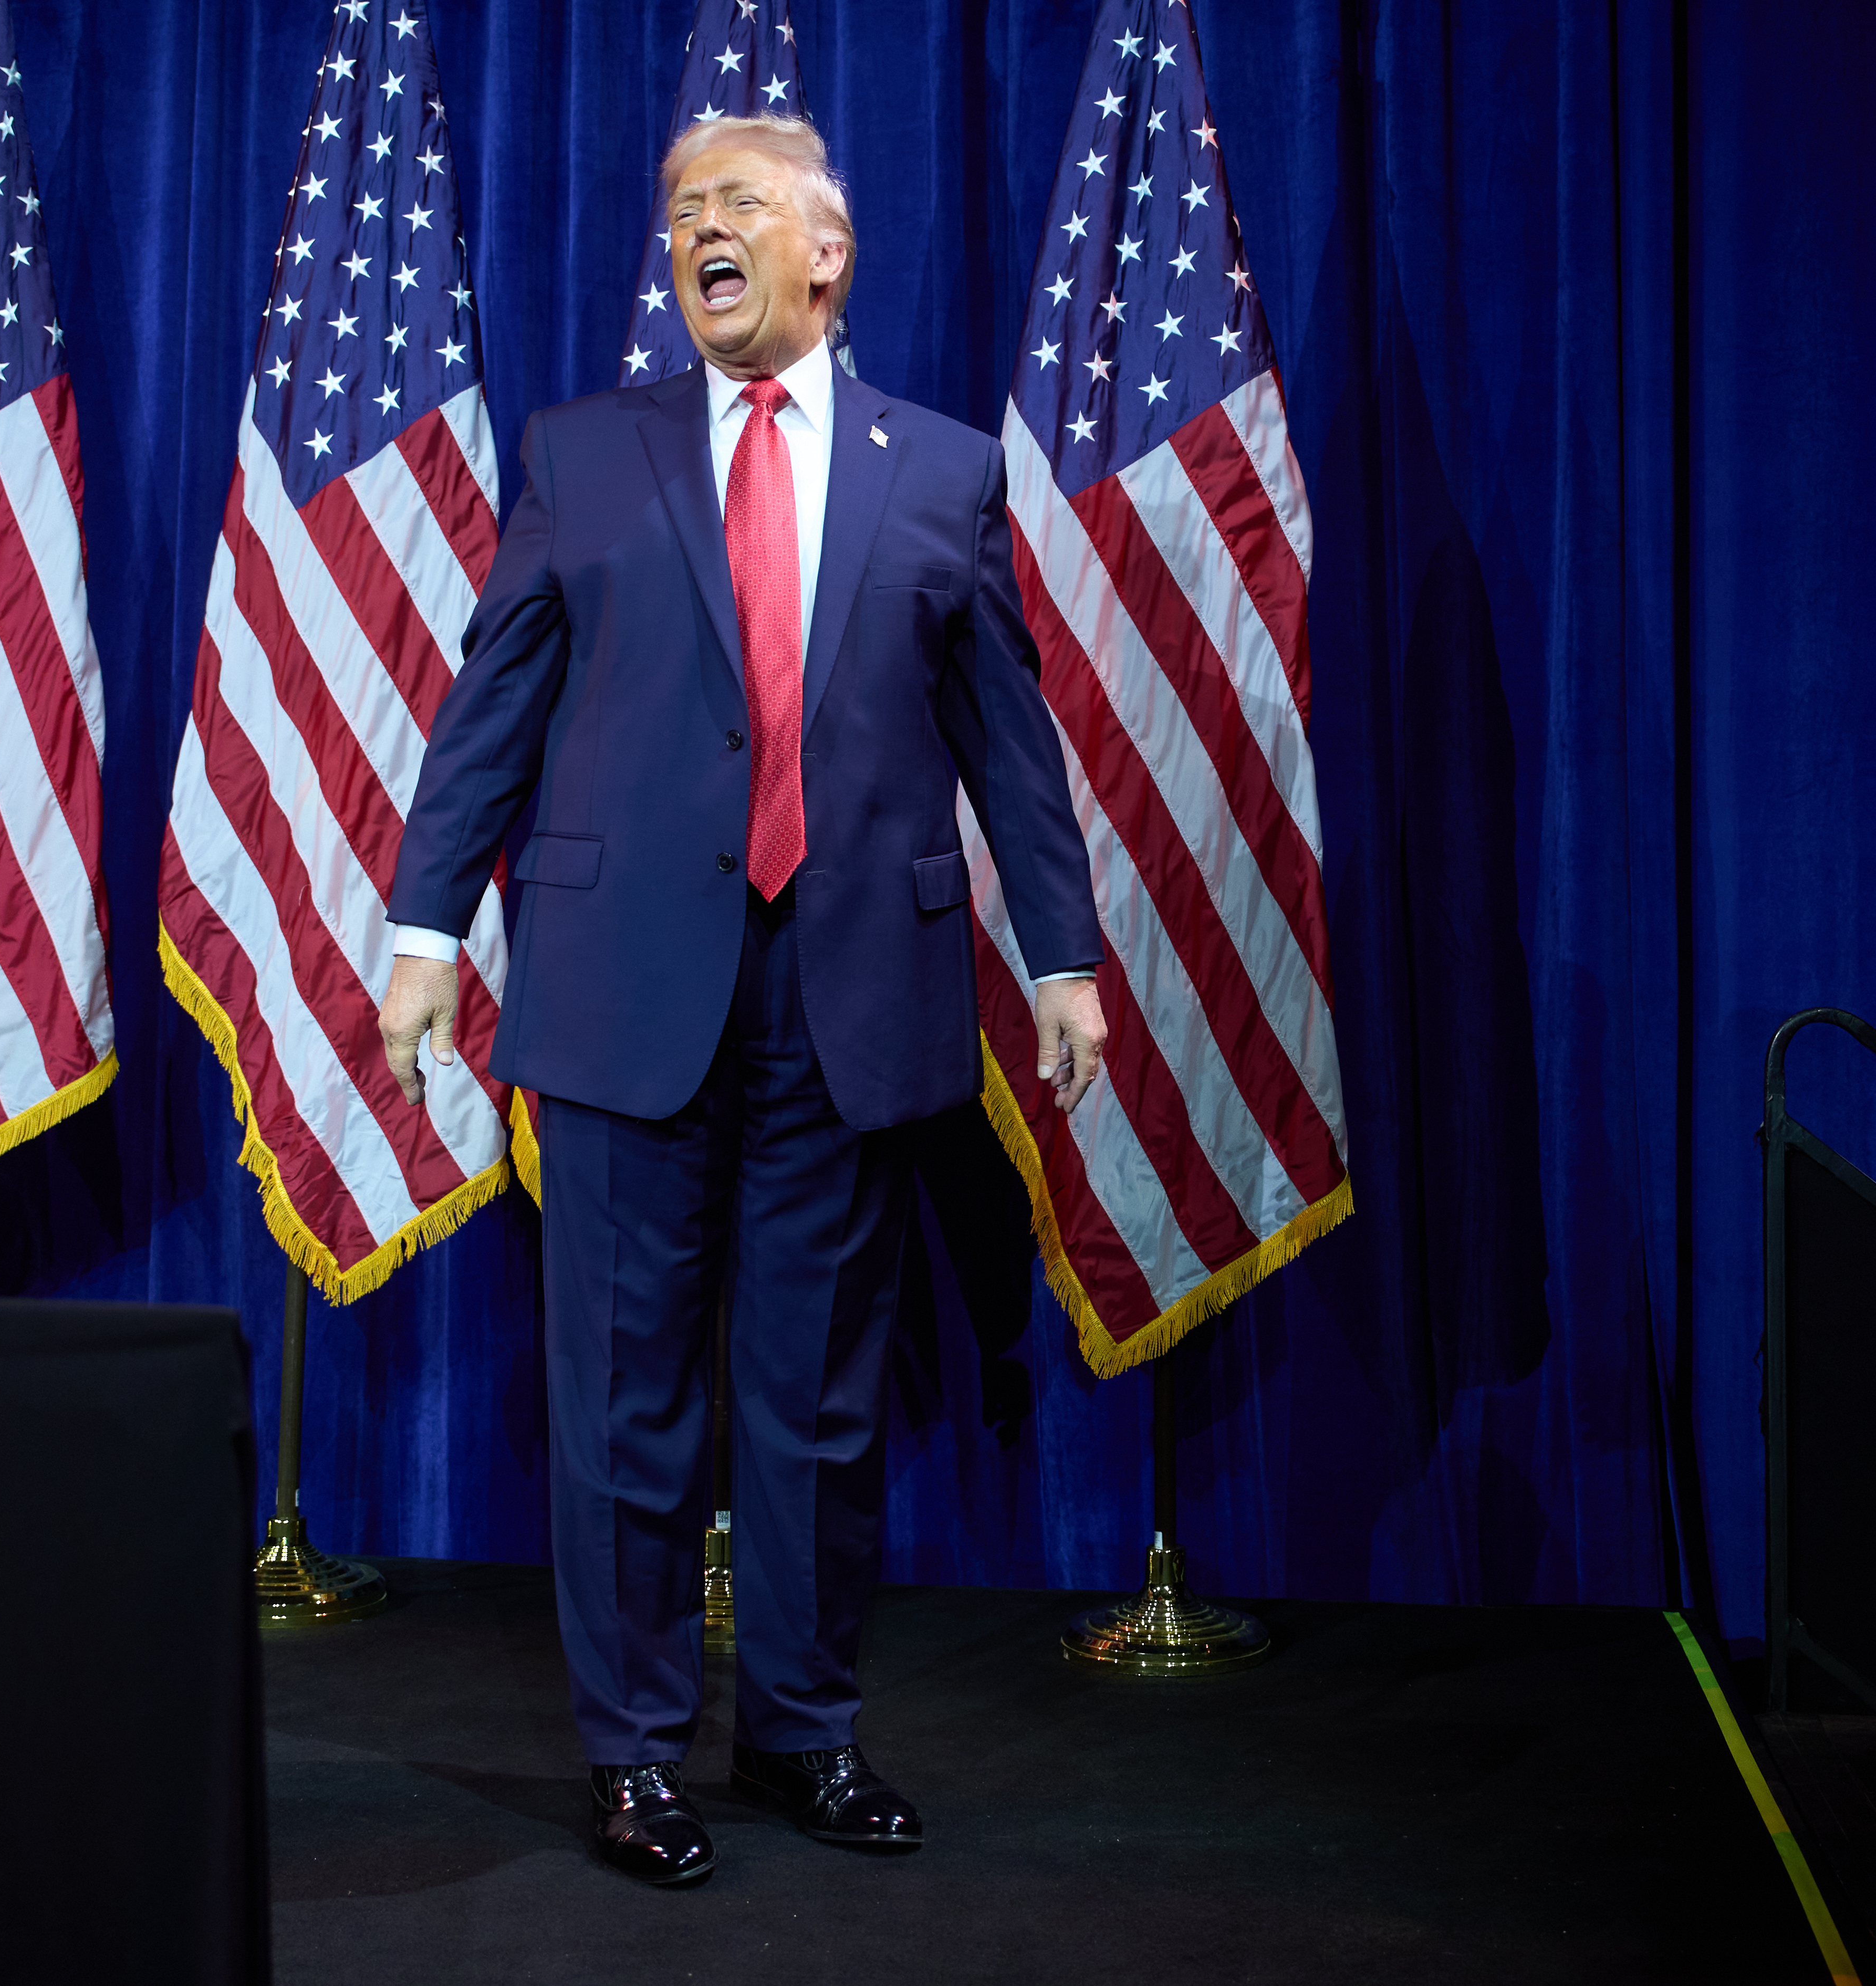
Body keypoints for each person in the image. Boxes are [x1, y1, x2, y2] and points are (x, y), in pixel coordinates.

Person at [376, 113, 1106, 1887]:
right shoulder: (584, 451)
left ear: (827, 255)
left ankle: (802, 1732)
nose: (701, 229)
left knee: (819, 1405)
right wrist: (424, 930)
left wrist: (1065, 955)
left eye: (740, 206)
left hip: (849, 1000)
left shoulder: (939, 470)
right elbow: (496, 710)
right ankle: (632, 1756)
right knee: (626, 1401)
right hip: (628, 995)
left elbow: (1005, 735)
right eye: (682, 207)